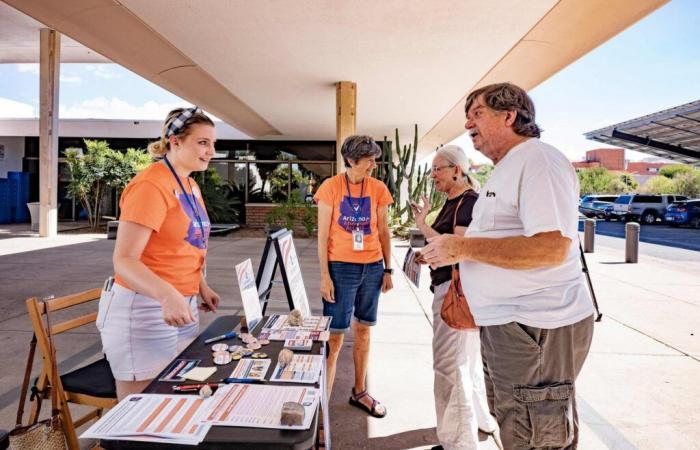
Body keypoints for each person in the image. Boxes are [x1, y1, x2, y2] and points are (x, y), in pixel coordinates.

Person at [421, 83, 595, 450]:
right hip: (514, 327)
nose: (468, 122)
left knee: (536, 438)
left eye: (477, 113)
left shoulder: (538, 161)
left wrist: (461, 248)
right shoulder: (508, 166)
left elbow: (551, 248)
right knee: (517, 428)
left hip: (536, 329)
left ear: (509, 115)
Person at [97, 107, 221, 400]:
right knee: (141, 410)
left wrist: (199, 285)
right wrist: (167, 294)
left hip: (181, 305)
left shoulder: (190, 184)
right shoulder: (151, 185)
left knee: (173, 398)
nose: (211, 151)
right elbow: (124, 260)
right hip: (145, 309)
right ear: (175, 141)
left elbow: (184, 243)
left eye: (213, 144)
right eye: (203, 142)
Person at [411, 145, 497, 450]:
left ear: (457, 170)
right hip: (454, 289)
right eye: (432, 169)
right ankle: (481, 422)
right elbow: (446, 244)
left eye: (438, 169)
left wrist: (431, 251)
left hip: (455, 293)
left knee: (449, 368)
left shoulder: (468, 201)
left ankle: (459, 443)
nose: (433, 175)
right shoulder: (454, 201)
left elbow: (458, 249)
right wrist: (424, 227)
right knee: (466, 363)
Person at [314, 135, 393, 418]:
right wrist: (325, 275)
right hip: (341, 269)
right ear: (351, 160)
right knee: (334, 339)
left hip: (372, 268)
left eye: (375, 158)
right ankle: (321, 405)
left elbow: (384, 231)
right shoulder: (330, 187)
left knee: (364, 330)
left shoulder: (378, 189)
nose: (374, 164)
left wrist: (387, 268)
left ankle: (359, 391)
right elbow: (322, 236)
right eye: (369, 159)